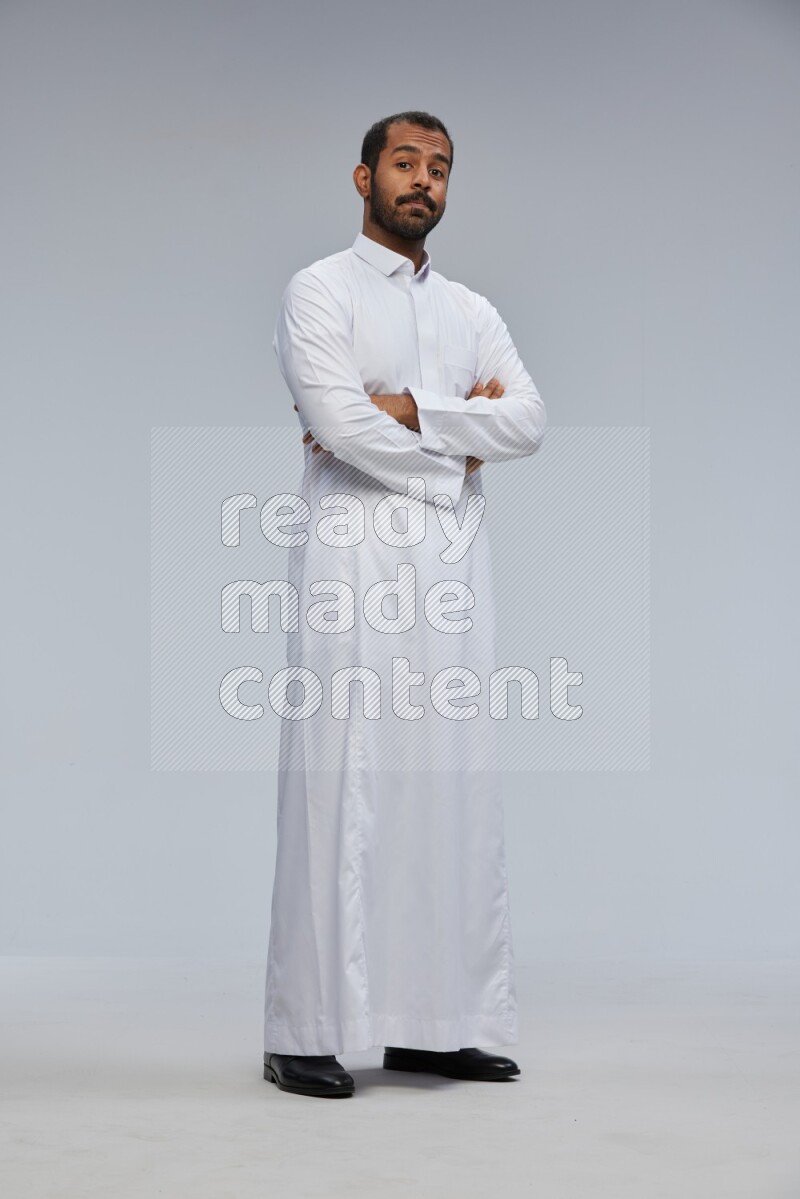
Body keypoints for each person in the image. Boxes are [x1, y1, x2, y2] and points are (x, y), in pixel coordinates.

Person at [263, 110, 546, 1098]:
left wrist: (413, 407)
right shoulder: (319, 289)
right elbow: (336, 421)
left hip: (453, 570)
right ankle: (303, 1027)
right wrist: (454, 450)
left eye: (439, 167)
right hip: (350, 559)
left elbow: (528, 420)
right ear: (363, 177)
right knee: (338, 781)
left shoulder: (470, 309)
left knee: (447, 782)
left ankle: (436, 1024)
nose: (423, 179)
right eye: (405, 162)